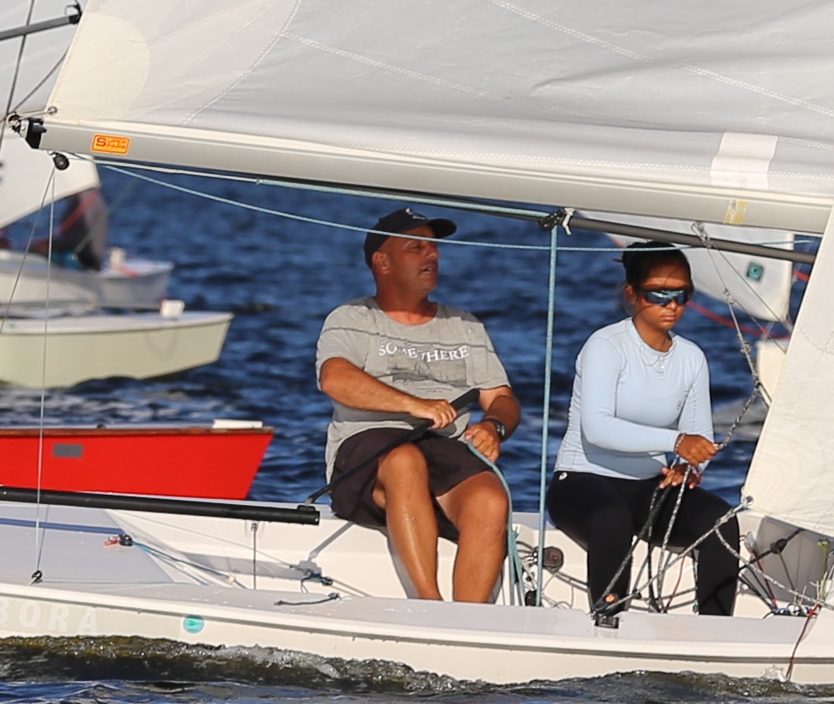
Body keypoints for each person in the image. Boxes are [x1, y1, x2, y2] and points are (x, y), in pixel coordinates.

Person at [315, 208, 522, 604]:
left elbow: (501, 398)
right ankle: (429, 604)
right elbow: (335, 379)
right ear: (383, 261)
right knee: (405, 460)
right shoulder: (351, 318)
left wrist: (494, 426)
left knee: (491, 498)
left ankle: (471, 622)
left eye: (434, 247)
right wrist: (414, 405)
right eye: (416, 247)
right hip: (367, 446)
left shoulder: (465, 325)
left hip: (444, 445)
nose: (432, 255)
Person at [547, 242, 740, 618]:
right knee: (610, 519)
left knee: (721, 521)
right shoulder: (605, 345)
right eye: (659, 294)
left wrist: (689, 468)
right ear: (633, 294)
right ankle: (608, 621)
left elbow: (696, 436)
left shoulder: (691, 358)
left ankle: (716, 633)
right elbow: (598, 428)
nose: (672, 305)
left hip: (645, 488)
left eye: (682, 295)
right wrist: (675, 442)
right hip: (581, 482)